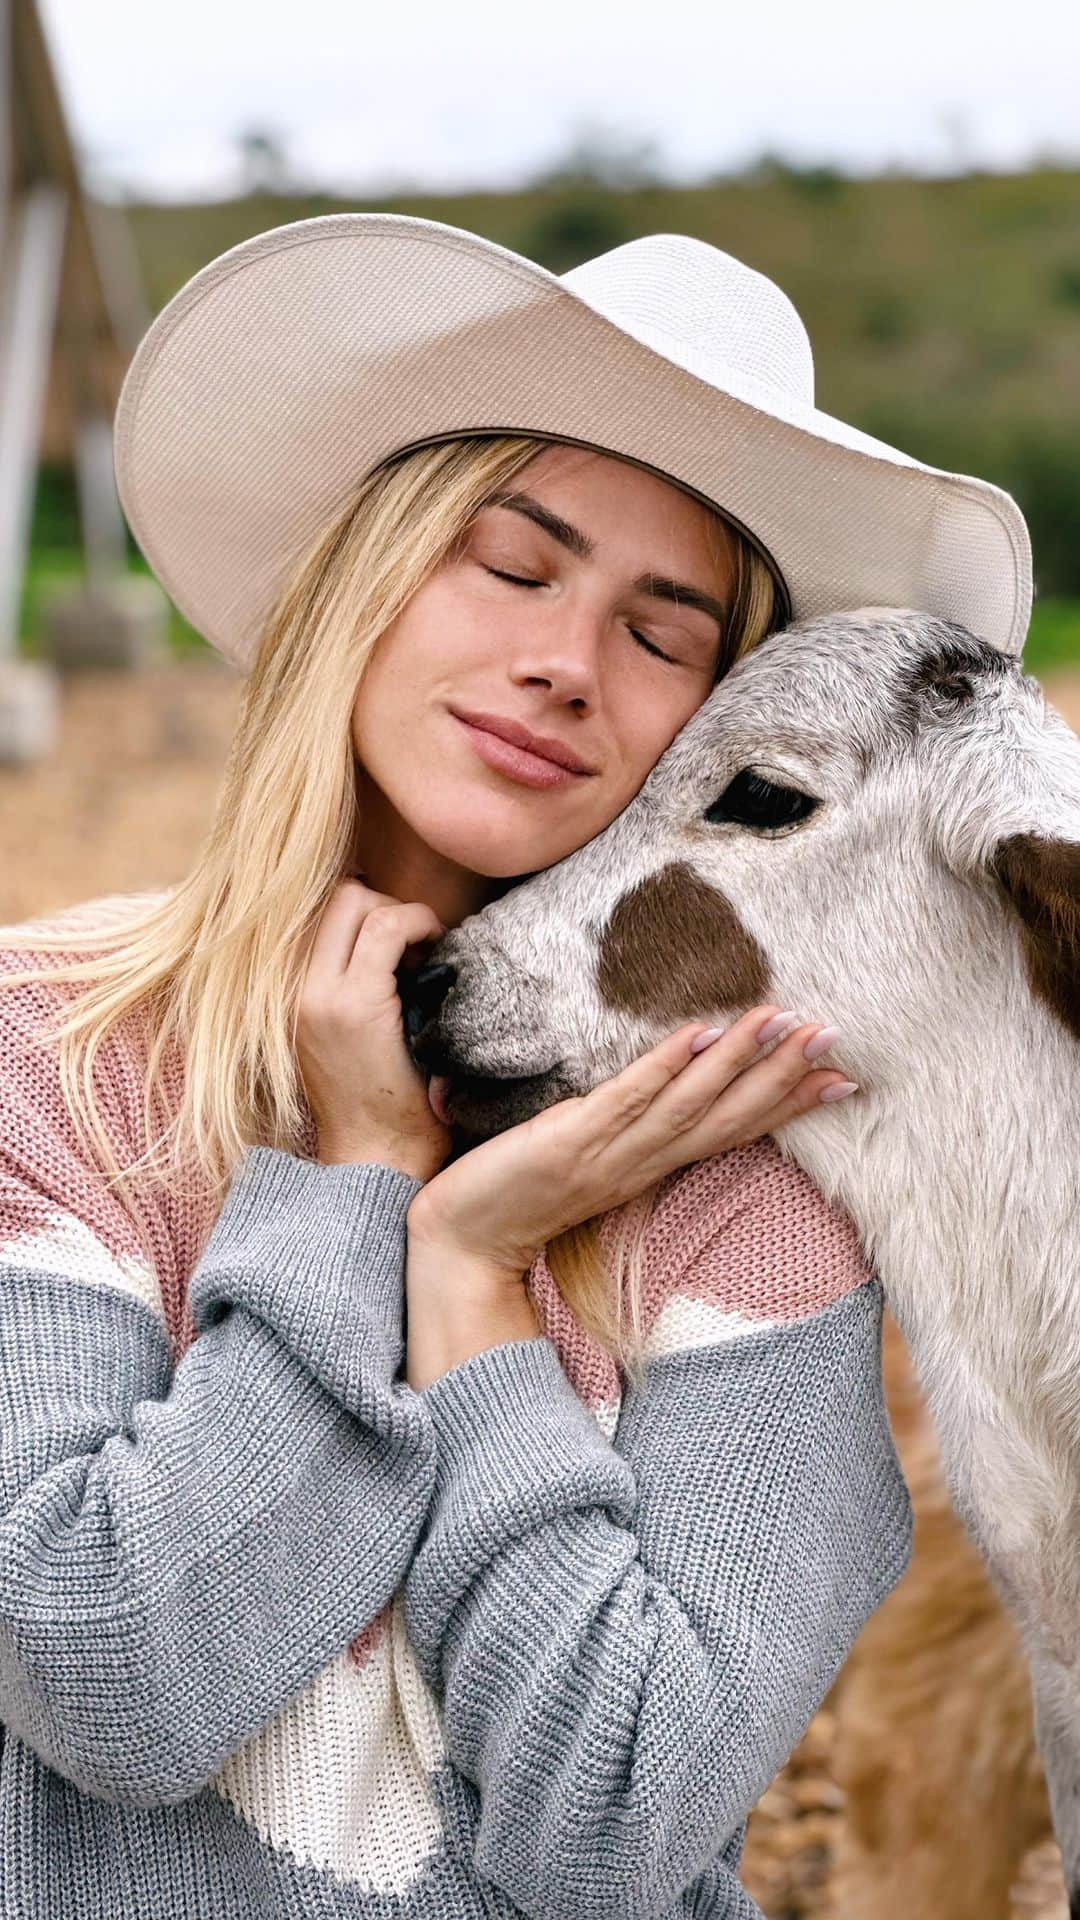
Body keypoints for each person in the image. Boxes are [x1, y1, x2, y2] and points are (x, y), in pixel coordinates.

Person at [0, 214, 1030, 1919]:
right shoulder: (47, 1054)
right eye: (515, 563)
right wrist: (354, 1185)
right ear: (369, 576)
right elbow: (116, 1671)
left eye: (665, 629)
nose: (567, 663)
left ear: (715, 720)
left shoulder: (751, 1186)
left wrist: (471, 1283)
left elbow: (611, 1834)